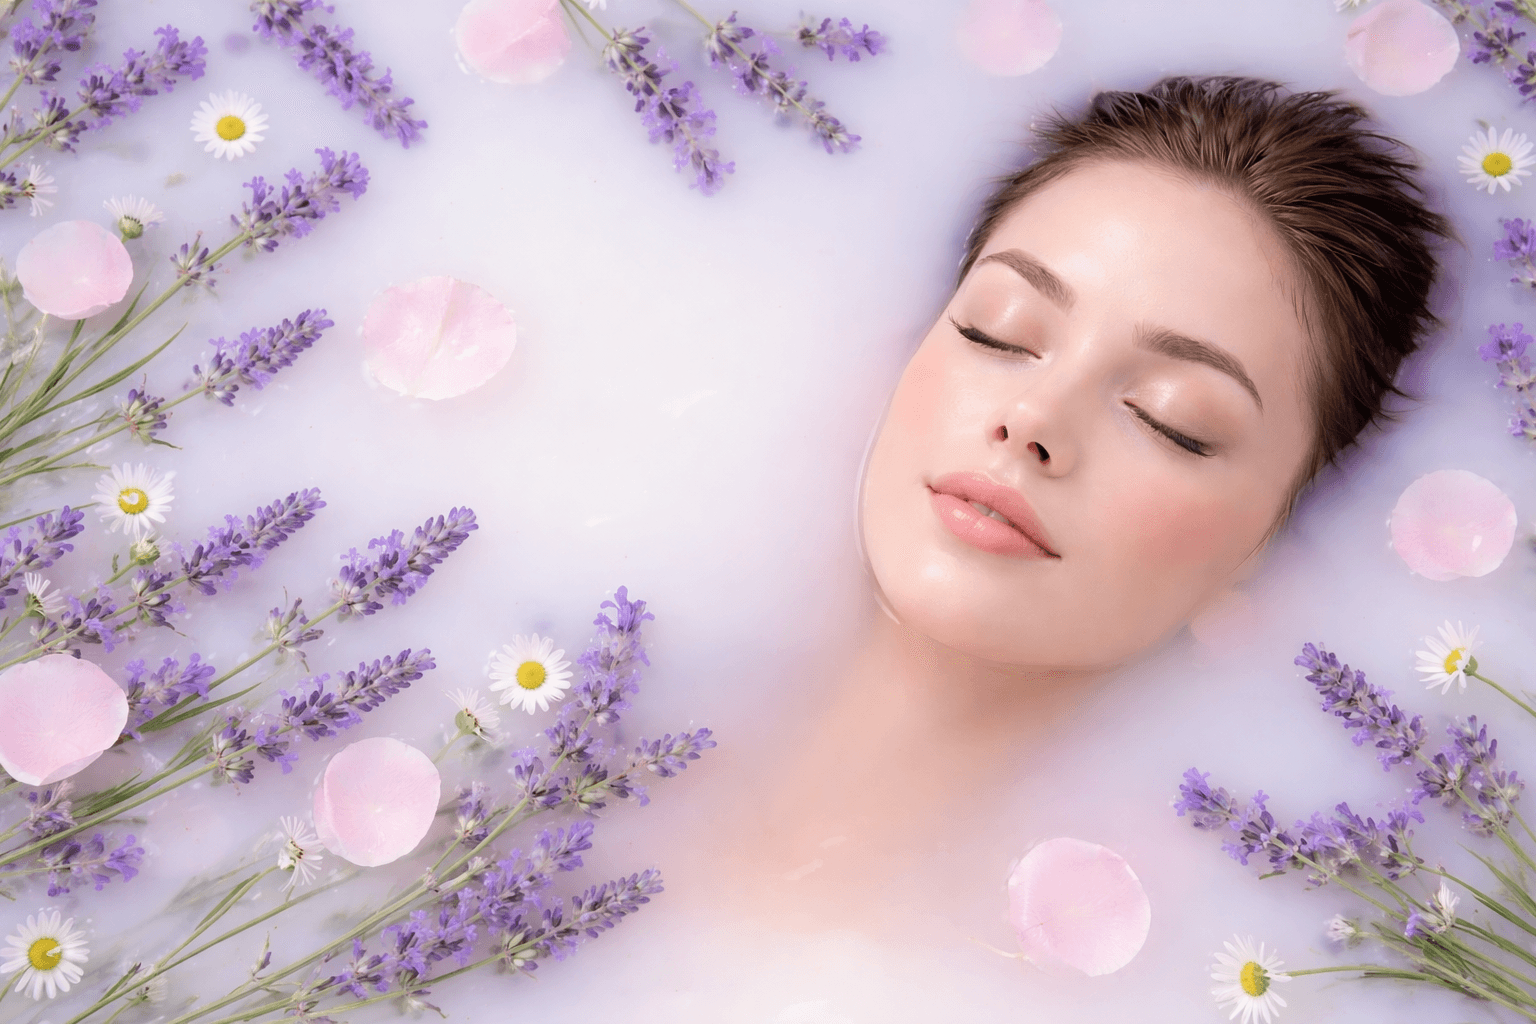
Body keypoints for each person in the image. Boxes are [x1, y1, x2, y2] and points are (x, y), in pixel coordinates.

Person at [683, 74, 1454, 929]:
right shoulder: (594, 751)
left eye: (1173, 421)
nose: (1033, 420)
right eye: (999, 330)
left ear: (1266, 548)